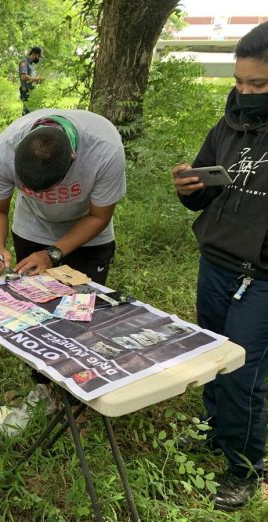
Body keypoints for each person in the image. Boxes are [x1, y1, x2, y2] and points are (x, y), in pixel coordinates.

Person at [172, 21, 268, 512]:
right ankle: (216, 431)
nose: (245, 93)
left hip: (263, 277)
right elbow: (207, 192)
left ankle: (245, 465)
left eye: (259, 85)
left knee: (243, 371)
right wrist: (192, 188)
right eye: (239, 82)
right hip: (216, 261)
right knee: (212, 355)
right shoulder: (228, 125)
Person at [0, 109, 126, 286]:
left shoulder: (105, 151)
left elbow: (99, 216)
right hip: (32, 229)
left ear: (73, 160)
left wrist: (52, 254)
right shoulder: (4, 152)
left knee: (83, 306)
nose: (42, 197)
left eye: (48, 189)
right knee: (30, 304)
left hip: (88, 237)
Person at [19, 46, 43, 115]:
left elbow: (30, 78)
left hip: (31, 91)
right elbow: (23, 77)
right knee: (27, 114)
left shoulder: (30, 64)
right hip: (26, 92)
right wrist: (35, 79)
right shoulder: (24, 62)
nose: (38, 59)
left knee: (31, 113)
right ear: (34, 54)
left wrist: (37, 81)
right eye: (38, 56)